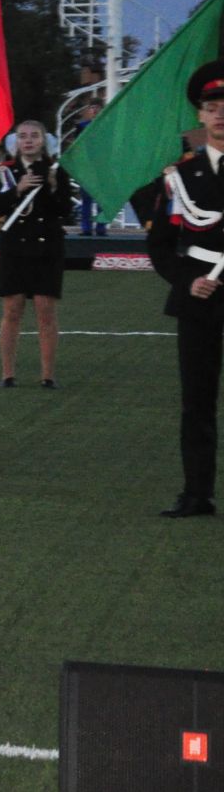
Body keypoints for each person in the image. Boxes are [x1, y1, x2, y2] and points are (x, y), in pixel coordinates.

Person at [147, 60, 224, 518]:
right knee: (197, 401)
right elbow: (159, 245)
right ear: (200, 115)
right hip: (199, 299)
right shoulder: (180, 175)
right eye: (212, 107)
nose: (219, 114)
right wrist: (185, 279)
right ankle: (197, 493)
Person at [0, 121, 71, 389]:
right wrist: (17, 190)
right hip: (14, 248)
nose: (28, 140)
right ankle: (7, 374)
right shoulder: (6, 171)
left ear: (44, 141)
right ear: (15, 142)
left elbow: (64, 210)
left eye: (34, 136)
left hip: (47, 249)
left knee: (46, 311)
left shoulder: (54, 170)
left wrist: (53, 187)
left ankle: (48, 376)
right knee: (12, 309)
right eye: (23, 136)